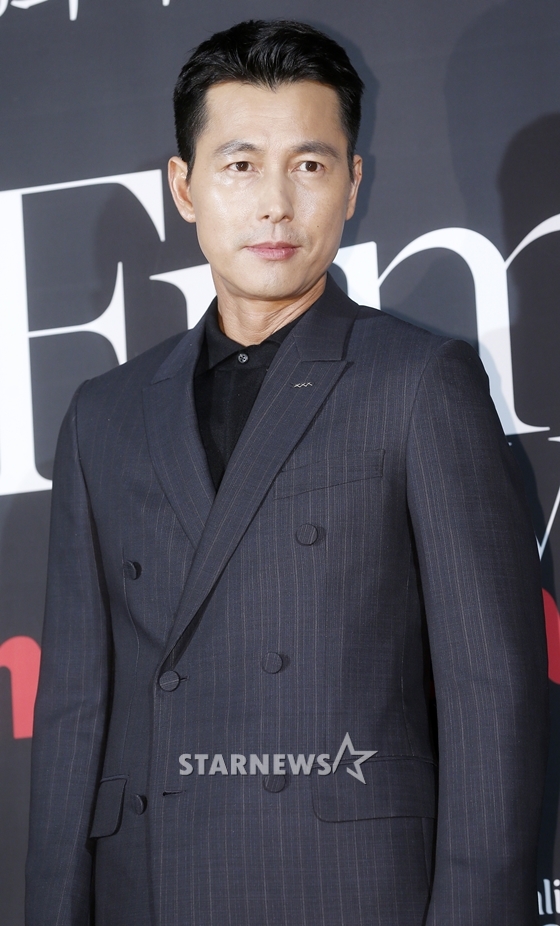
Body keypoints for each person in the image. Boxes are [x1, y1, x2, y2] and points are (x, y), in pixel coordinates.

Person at [26, 19, 548, 926]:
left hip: (345, 886)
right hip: (148, 889)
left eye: (309, 164)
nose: (275, 204)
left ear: (353, 183)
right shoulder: (103, 417)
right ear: (183, 187)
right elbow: (73, 714)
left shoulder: (419, 383)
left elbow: (491, 697)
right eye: (239, 165)